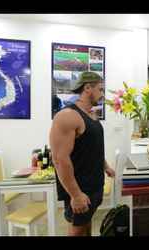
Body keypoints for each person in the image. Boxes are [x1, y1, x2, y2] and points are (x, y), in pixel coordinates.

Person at [49, 71, 115, 236]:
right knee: (77, 231)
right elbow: (59, 159)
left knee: (86, 227)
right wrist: (76, 195)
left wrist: (105, 166)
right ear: (87, 88)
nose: (102, 94)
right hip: (81, 189)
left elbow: (92, 147)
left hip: (94, 185)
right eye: (100, 89)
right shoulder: (67, 116)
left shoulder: (92, 115)